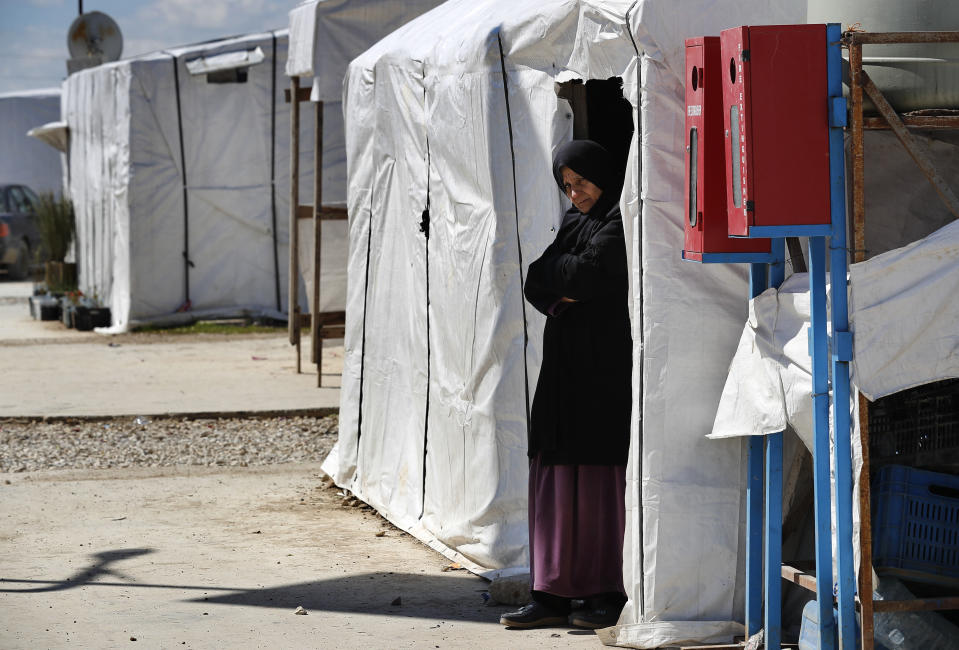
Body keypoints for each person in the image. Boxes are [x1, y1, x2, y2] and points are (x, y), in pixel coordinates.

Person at [500, 139, 632, 630]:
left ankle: (603, 591)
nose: (575, 195)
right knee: (556, 470)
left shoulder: (623, 218)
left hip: (603, 368)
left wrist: (566, 281)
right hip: (562, 371)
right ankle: (551, 592)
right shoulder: (579, 223)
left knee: (598, 477)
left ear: (603, 175)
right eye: (567, 186)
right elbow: (537, 278)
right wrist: (565, 284)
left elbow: (591, 275)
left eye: (581, 183)